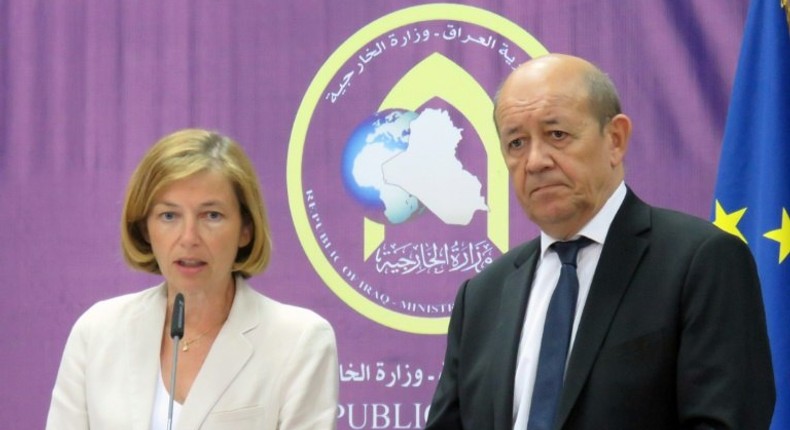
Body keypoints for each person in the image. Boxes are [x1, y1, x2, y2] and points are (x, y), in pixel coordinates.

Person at [425, 54, 775, 429]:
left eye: (557, 135)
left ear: (615, 139)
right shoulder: (482, 296)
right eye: (516, 143)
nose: (535, 161)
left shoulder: (700, 261)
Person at [46, 129, 339, 429]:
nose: (189, 238)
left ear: (245, 230)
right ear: (146, 229)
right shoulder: (97, 332)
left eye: (211, 215)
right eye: (169, 216)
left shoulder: (299, 340)